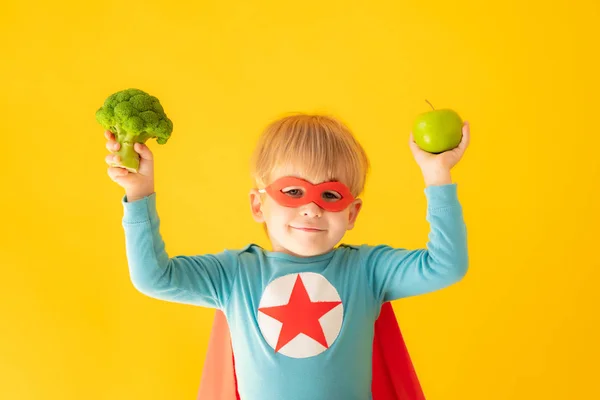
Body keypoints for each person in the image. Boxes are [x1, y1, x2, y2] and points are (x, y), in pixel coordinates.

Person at [104, 113, 470, 400]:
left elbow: (444, 266)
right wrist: (139, 193)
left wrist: (437, 176)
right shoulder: (234, 274)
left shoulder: (367, 270)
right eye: (293, 191)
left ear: (353, 213)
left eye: (330, 195)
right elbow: (154, 277)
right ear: (258, 204)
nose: (311, 208)